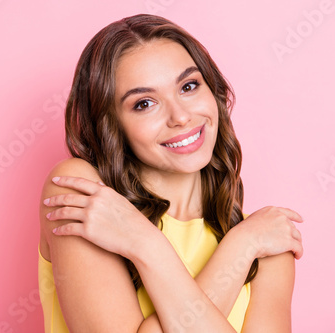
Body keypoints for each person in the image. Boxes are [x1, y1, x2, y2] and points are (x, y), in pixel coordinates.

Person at [38, 13, 304, 333]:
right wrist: (236, 250)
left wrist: (242, 244)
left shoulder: (266, 243)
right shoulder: (85, 195)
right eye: (144, 103)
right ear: (111, 125)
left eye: (189, 86)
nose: (180, 116)